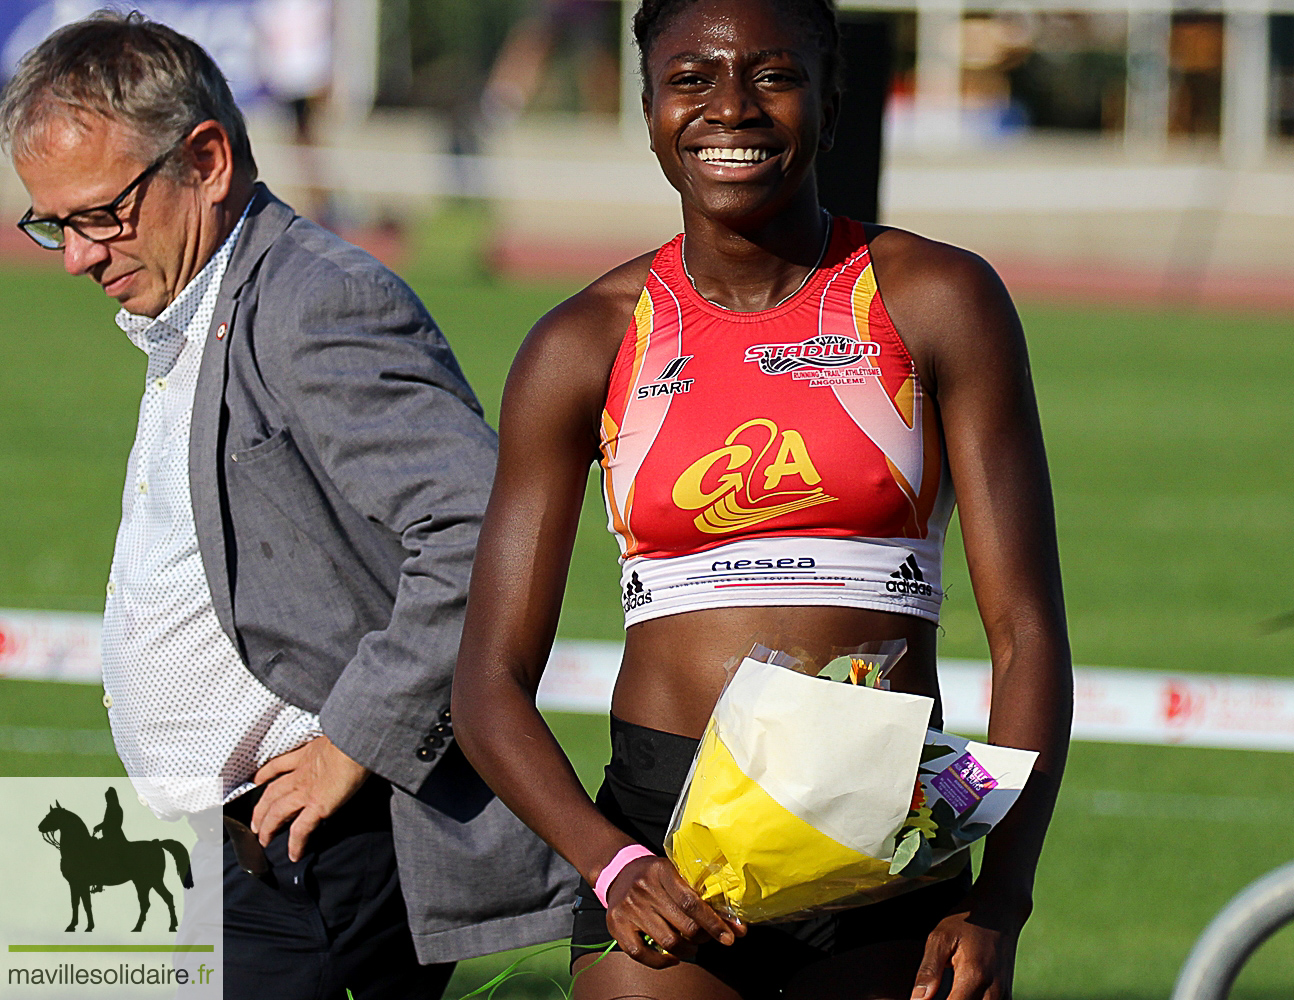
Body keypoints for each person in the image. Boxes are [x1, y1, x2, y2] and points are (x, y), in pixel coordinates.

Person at [450, 0, 1073, 994]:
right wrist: (612, 862)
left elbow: (1027, 633)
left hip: (891, 833)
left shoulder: (936, 299)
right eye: (691, 80)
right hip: (665, 845)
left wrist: (1000, 896)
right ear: (648, 104)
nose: (729, 109)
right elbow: (486, 681)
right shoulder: (582, 344)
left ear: (832, 98)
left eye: (773, 77)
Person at [0, 12, 575, 998]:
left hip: (307, 850)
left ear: (207, 159)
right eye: (52, 223)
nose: (75, 257)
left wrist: (356, 735)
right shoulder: (183, 297)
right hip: (187, 835)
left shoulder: (315, 300)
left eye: (99, 215)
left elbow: (483, 526)